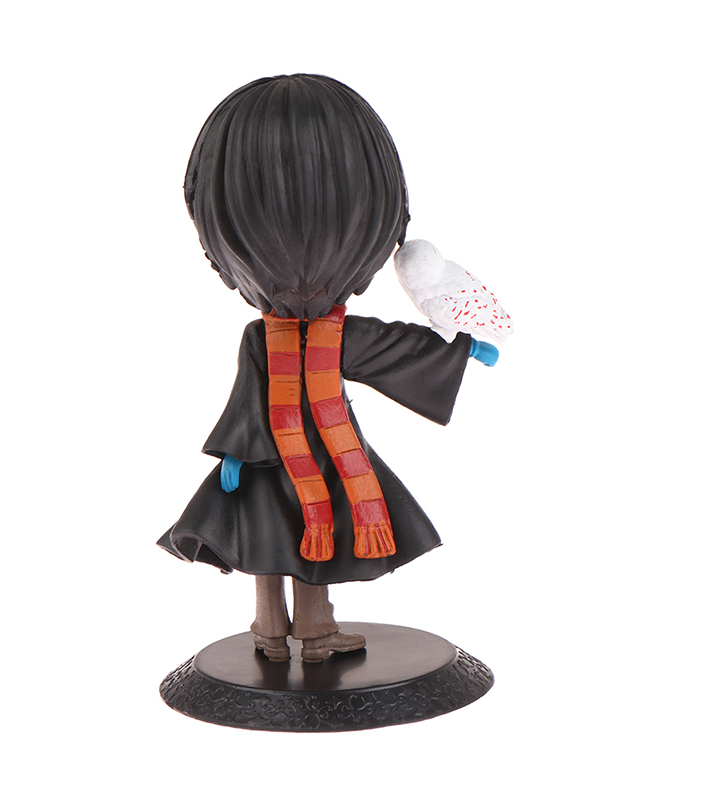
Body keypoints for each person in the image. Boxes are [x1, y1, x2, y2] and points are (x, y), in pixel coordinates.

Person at [157, 74, 473, 662]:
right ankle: (277, 628)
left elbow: (390, 348)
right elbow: (251, 397)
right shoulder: (287, 337)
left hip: (289, 458)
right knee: (288, 542)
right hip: (296, 457)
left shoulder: (302, 335)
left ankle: (300, 628)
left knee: (289, 540)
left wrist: (459, 348)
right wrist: (234, 454)